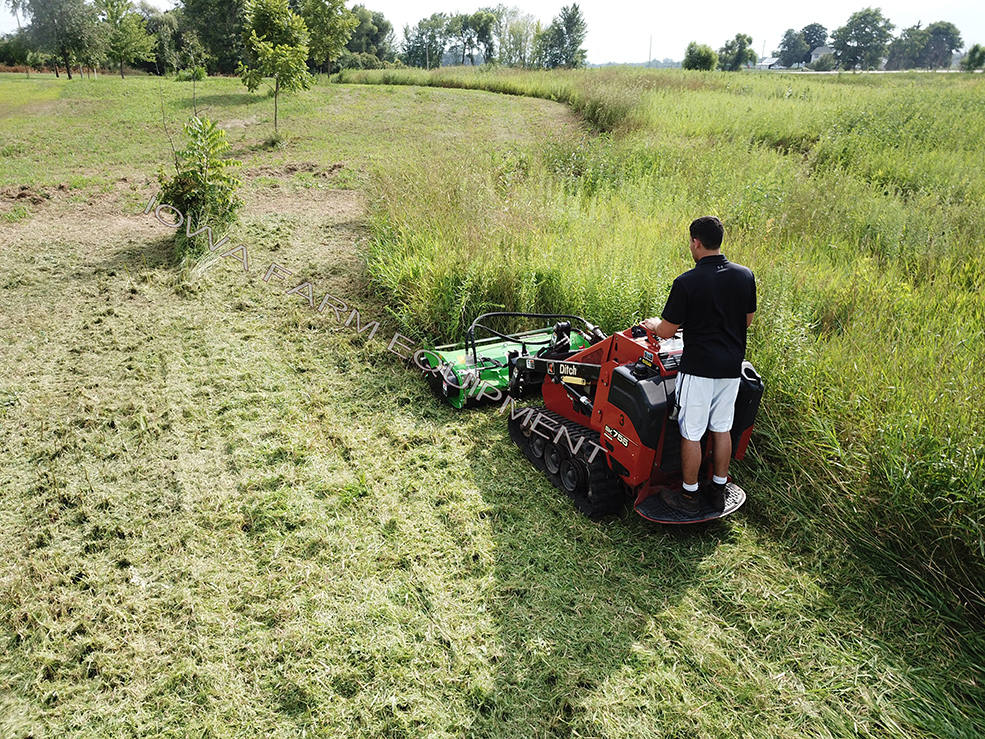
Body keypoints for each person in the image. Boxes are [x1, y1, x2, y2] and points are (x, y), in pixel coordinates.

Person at [642, 216, 756, 514]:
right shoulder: (745, 275)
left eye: (690, 242)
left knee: (690, 431)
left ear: (696, 242)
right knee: (722, 428)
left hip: (699, 369)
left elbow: (667, 331)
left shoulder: (687, 282)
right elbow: (747, 321)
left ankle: (689, 497)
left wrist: (654, 324)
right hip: (731, 368)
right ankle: (718, 490)